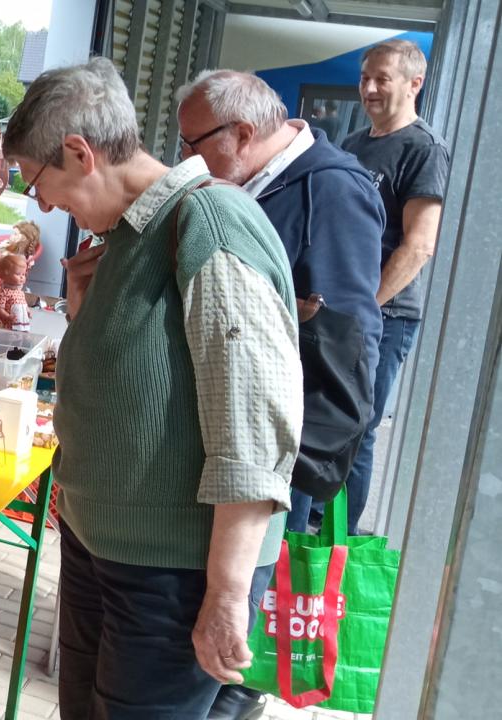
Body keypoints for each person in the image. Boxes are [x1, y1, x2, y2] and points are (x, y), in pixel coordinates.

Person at [4, 57, 302, 719]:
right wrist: (84, 311)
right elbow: (132, 377)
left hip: (169, 575)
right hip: (101, 549)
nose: (42, 204)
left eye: (37, 182)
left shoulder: (210, 222)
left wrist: (225, 596)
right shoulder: (126, 236)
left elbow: (253, 424)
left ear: (79, 153)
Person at [176, 69, 386, 720]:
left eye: (193, 143)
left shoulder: (331, 191)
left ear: (240, 133)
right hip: (243, 447)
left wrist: (292, 479)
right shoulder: (257, 181)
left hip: (277, 460)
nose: (185, 158)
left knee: (246, 623)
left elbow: (347, 349)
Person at [341, 39, 450, 534]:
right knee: (323, 423)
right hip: (340, 308)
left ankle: (335, 552)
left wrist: (365, 308)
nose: (369, 88)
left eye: (382, 78)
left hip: (385, 318)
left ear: (414, 84)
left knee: (357, 432)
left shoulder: (423, 150)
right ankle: (308, 528)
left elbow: (419, 247)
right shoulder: (352, 145)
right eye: (365, 78)